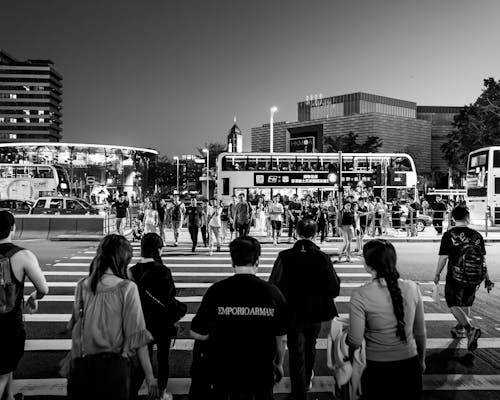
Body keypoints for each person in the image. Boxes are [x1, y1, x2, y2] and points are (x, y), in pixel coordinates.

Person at [190, 237, 288, 399]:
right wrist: (278, 363)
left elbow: (198, 333)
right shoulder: (272, 293)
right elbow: (281, 338)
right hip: (260, 372)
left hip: (224, 372)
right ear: (257, 261)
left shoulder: (217, 291)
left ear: (232, 261)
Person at [64, 235, 158, 400]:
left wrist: (74, 366)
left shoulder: (82, 285)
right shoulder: (127, 288)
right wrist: (150, 378)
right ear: (123, 259)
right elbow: (138, 338)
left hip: (83, 368)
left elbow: (75, 330)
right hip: (113, 370)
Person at [269, 219, 341, 400]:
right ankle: (307, 377)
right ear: (315, 234)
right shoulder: (322, 257)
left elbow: (274, 285)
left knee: (295, 347)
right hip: (316, 310)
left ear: (296, 233)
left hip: (291, 311)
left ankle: (298, 387)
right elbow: (334, 288)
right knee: (311, 344)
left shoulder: (284, 256)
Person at [348, 240, 427, 400]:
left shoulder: (361, 294)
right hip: (409, 365)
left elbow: (355, 341)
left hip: (376, 368)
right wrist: (422, 359)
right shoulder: (412, 288)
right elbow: (420, 332)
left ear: (368, 264)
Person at [0, 211, 49, 400]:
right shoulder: (22, 256)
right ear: (13, 228)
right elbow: (43, 288)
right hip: (9, 324)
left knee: (4, 366)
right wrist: (35, 297)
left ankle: (10, 397)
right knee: (4, 370)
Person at [433, 206, 493, 349]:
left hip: (456, 276)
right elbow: (482, 259)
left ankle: (469, 329)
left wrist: (437, 274)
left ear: (453, 218)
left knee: (453, 303)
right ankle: (460, 329)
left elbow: (443, 257)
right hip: (474, 277)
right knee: (466, 304)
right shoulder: (477, 236)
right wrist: (487, 278)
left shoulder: (449, 235)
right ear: (468, 218)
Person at [129, 233, 179, 400]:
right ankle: (161, 392)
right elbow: (170, 297)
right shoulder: (163, 271)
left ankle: (133, 393)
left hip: (140, 323)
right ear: (159, 249)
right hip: (162, 322)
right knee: (163, 359)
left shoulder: (132, 271)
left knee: (143, 361)